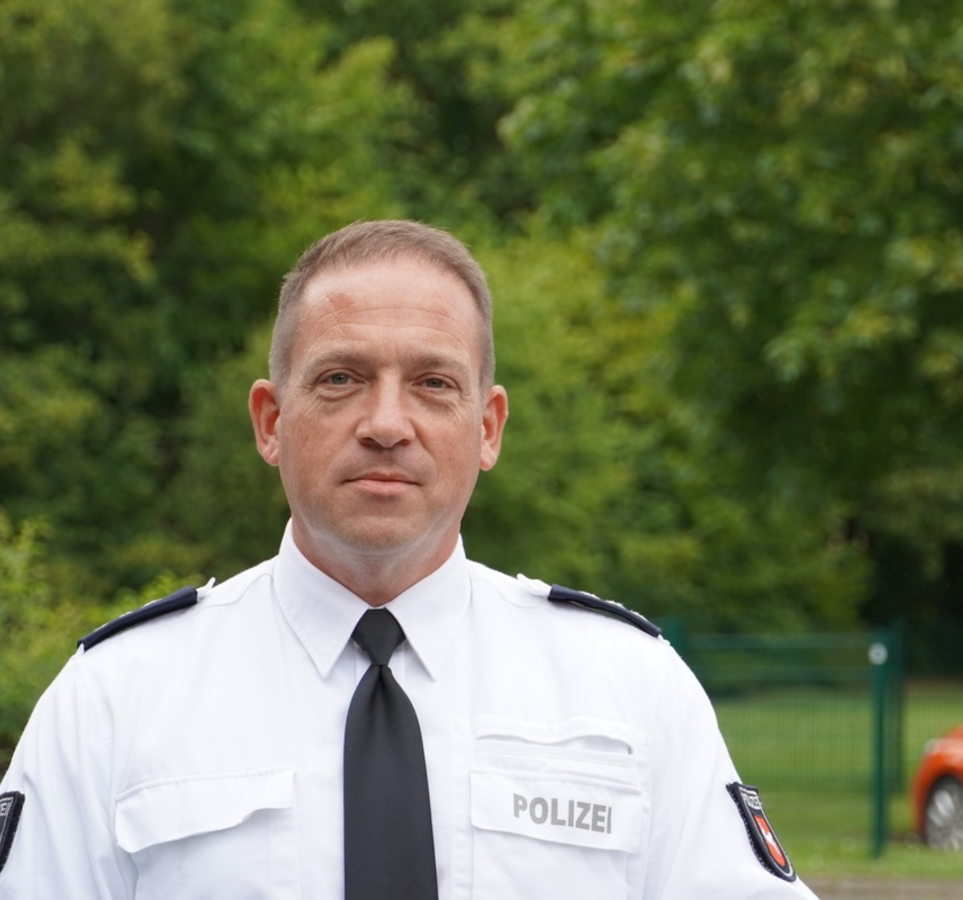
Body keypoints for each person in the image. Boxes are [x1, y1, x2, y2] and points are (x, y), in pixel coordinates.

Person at [0, 220, 821, 899]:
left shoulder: (630, 692)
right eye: (341, 378)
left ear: (488, 428)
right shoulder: (114, 701)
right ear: (271, 421)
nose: (386, 424)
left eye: (432, 383)